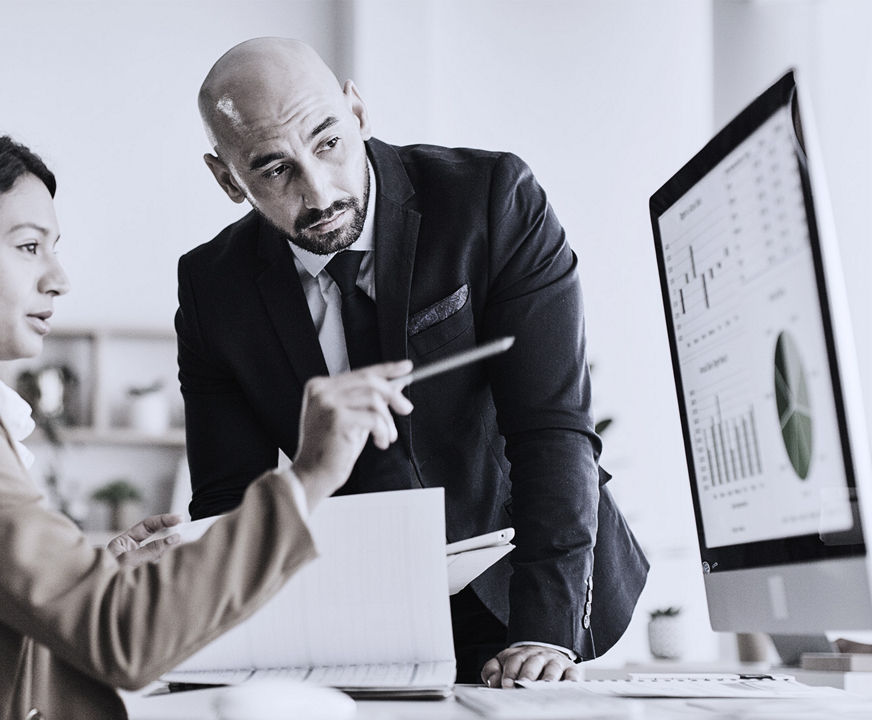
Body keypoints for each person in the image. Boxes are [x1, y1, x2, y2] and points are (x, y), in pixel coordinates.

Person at [0, 122, 413, 719]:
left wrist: (102, 575)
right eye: (28, 247)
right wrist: (308, 477)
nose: (58, 280)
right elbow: (123, 638)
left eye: (52, 250)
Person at [175, 37, 649, 687]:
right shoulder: (213, 288)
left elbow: (552, 426)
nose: (319, 192)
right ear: (228, 179)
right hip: (361, 624)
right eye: (275, 170)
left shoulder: (492, 199)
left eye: (328, 142)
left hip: (532, 591)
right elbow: (228, 499)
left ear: (357, 111)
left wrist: (545, 633)